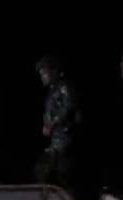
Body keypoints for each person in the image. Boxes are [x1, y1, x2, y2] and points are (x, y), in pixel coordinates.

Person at [34, 55, 80, 192]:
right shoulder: (52, 92)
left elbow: (68, 106)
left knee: (50, 170)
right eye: (41, 74)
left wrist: (52, 124)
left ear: (54, 71)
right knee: (59, 175)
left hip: (66, 140)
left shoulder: (64, 88)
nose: (42, 76)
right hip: (57, 140)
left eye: (45, 73)